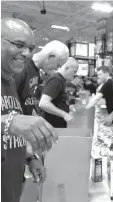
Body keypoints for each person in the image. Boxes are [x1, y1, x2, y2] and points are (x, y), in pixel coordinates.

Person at [1, 18, 58, 202]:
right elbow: (8, 124)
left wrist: (29, 157)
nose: (26, 53)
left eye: (31, 48)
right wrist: (9, 121)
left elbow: (7, 138)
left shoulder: (9, 80)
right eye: (19, 44)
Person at [14, 40, 69, 116]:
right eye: (58, 65)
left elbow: (28, 103)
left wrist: (37, 119)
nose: (56, 69)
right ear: (51, 56)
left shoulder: (36, 72)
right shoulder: (22, 68)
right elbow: (10, 104)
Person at [86, 66, 113, 131]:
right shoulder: (110, 83)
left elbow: (96, 99)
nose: (98, 76)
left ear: (106, 73)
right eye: (98, 75)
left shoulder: (108, 83)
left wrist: (86, 108)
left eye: (100, 74)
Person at [39, 57, 79, 128]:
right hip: (51, 126)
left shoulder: (62, 81)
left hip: (57, 125)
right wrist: (64, 114)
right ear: (66, 68)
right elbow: (43, 103)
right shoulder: (56, 80)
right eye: (74, 71)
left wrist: (67, 107)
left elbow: (57, 101)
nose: (75, 74)